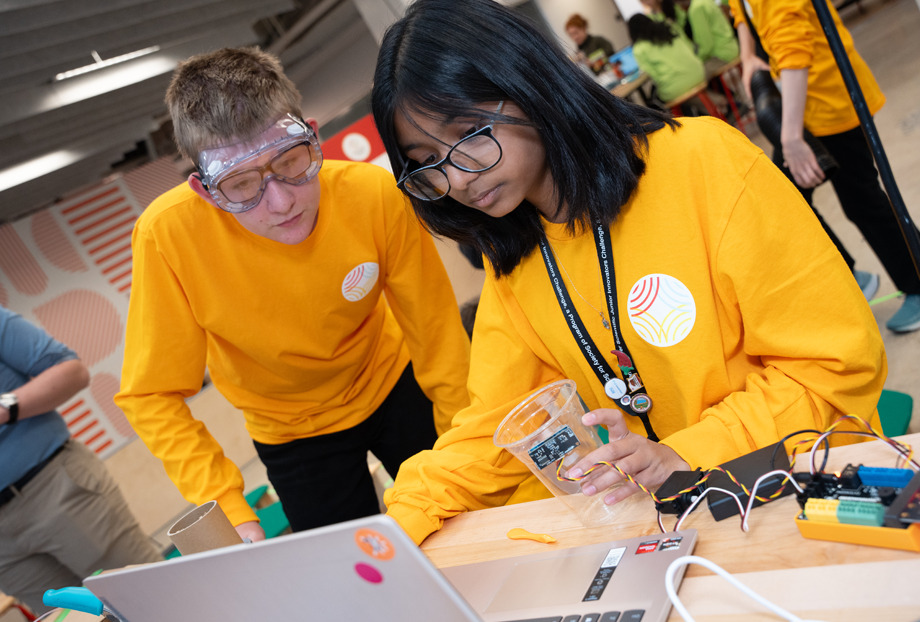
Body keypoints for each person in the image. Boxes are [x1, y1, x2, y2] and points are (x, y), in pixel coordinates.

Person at [370, 0, 886, 545]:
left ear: (528, 83)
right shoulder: (518, 258)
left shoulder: (702, 164)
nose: (457, 178)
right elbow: (496, 431)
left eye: (471, 132)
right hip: (678, 523)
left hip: (798, 489)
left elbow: (832, 365)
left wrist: (684, 453)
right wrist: (394, 530)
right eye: (426, 161)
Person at [114, 47, 471, 542]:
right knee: (350, 570)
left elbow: (436, 332)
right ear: (205, 191)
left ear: (313, 138)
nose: (281, 202)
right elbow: (151, 394)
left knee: (465, 517)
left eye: (290, 162)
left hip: (393, 378)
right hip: (290, 431)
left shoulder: (372, 193)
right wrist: (230, 507)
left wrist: (462, 436)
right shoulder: (167, 237)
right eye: (241, 185)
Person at [731, 0, 920, 332]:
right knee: (787, 199)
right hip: (801, 102)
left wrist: (791, 137)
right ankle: (852, 277)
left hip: (830, 99)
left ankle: (915, 283)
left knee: (861, 200)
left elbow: (792, 44)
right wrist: (748, 56)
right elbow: (739, 8)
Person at [0, 305, 162, 615]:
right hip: (5, 550)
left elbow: (70, 371)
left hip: (53, 488)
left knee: (153, 601)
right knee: (71, 619)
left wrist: (5, 408)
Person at [628, 13, 706, 103]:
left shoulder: (638, 49)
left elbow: (653, 75)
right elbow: (689, 47)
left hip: (676, 87)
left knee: (654, 99)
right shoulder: (668, 29)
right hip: (699, 72)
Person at [685, 0, 739, 71]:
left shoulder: (696, 8)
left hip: (721, 56)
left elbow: (706, 46)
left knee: (696, 73)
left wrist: (696, 60)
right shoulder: (705, 1)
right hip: (733, 47)